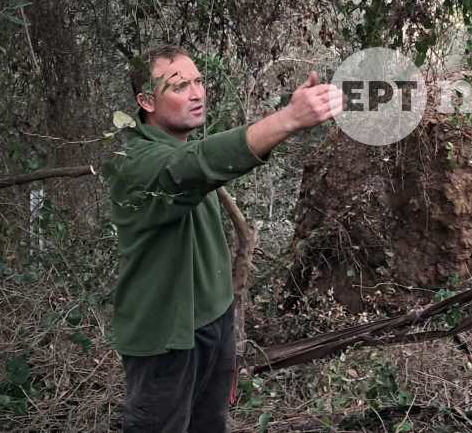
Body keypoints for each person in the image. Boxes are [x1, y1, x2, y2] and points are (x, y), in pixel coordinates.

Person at [104, 45, 342, 432]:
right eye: (179, 86)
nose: (197, 93)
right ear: (146, 101)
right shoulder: (136, 164)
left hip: (215, 325)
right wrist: (288, 119)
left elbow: (201, 161)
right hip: (166, 337)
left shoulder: (184, 147)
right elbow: (196, 166)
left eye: (198, 81)